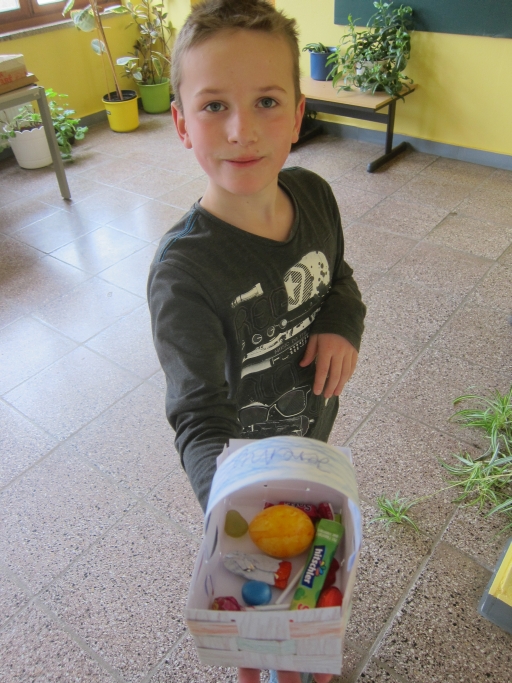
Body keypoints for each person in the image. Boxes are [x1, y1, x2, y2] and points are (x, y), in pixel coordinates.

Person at [147, 2, 366, 682]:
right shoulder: (184, 274)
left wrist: (342, 321)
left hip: (310, 437)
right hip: (242, 479)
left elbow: (340, 276)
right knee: (261, 625)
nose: (241, 130)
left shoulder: (316, 196)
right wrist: (239, 511)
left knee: (311, 612)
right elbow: (198, 416)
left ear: (298, 116)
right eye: (214, 105)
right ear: (181, 123)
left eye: (266, 101)